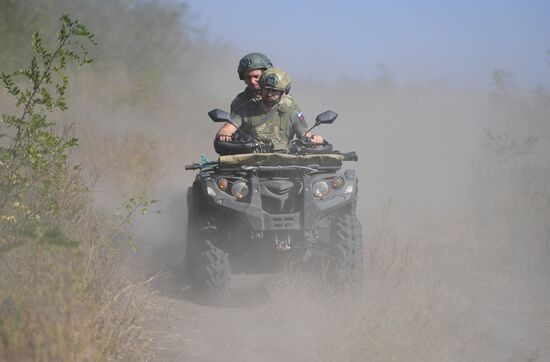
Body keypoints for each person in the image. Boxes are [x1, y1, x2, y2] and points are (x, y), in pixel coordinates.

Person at [217, 68, 323, 150]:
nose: (270, 94)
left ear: (282, 93)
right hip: (250, 163)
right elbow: (227, 129)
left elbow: (304, 134)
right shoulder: (245, 110)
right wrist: (225, 134)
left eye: (275, 91)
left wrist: (314, 138)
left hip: (286, 163)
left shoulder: (291, 114)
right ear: (261, 89)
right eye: (267, 89)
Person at [231, 52, 304, 119]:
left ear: (266, 74)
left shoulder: (285, 99)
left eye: (256, 76)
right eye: (248, 77)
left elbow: (301, 126)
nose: (252, 81)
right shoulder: (239, 102)